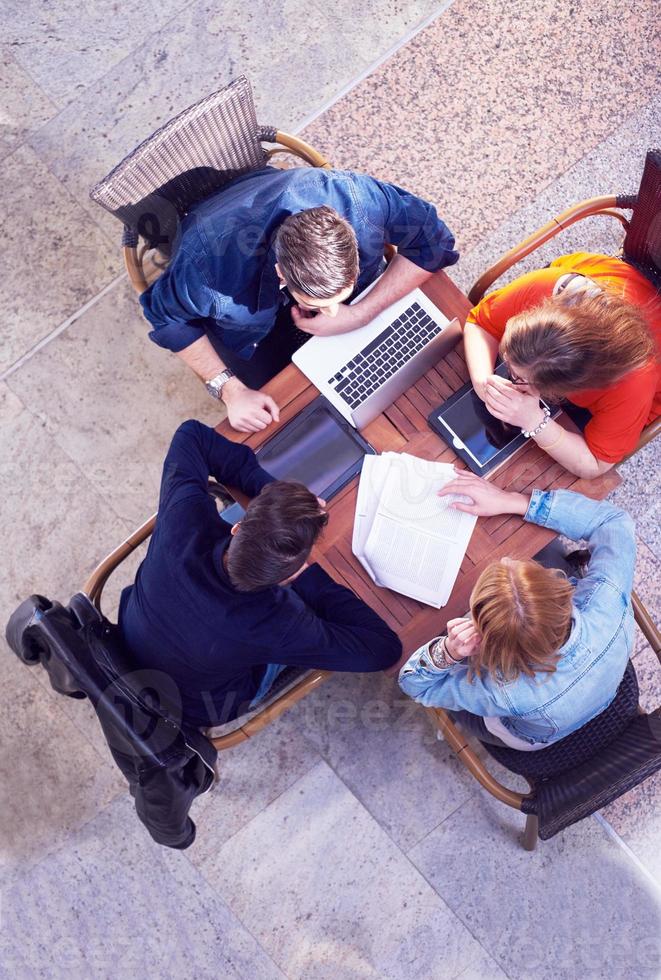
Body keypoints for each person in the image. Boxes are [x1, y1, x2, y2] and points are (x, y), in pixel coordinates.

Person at [118, 420, 402, 728]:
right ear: (284, 578)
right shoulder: (278, 622)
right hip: (194, 706)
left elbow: (190, 435)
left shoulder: (182, 521)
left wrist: (275, 502)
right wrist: (310, 580)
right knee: (299, 635)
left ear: (239, 529)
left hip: (131, 639)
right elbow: (383, 649)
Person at [140, 166, 458, 433]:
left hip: (268, 212)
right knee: (296, 420)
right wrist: (230, 390)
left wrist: (361, 312)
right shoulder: (206, 270)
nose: (333, 313)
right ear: (282, 275)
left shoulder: (360, 200)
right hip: (249, 326)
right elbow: (166, 318)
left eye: (338, 298)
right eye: (319, 304)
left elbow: (434, 242)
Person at [399, 468, 635, 751]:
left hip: (528, 733)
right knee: (548, 549)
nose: (508, 557)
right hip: (604, 683)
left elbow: (417, 687)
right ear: (558, 591)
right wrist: (514, 501)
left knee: (455, 692)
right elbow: (614, 521)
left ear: (492, 644)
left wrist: (447, 652)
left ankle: (462, 724)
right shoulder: (607, 595)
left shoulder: (503, 692)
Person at [463, 252, 661, 478]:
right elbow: (480, 323)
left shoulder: (632, 386)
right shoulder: (545, 286)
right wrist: (482, 383)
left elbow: (595, 464)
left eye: (517, 375)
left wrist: (534, 421)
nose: (507, 369)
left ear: (562, 390)